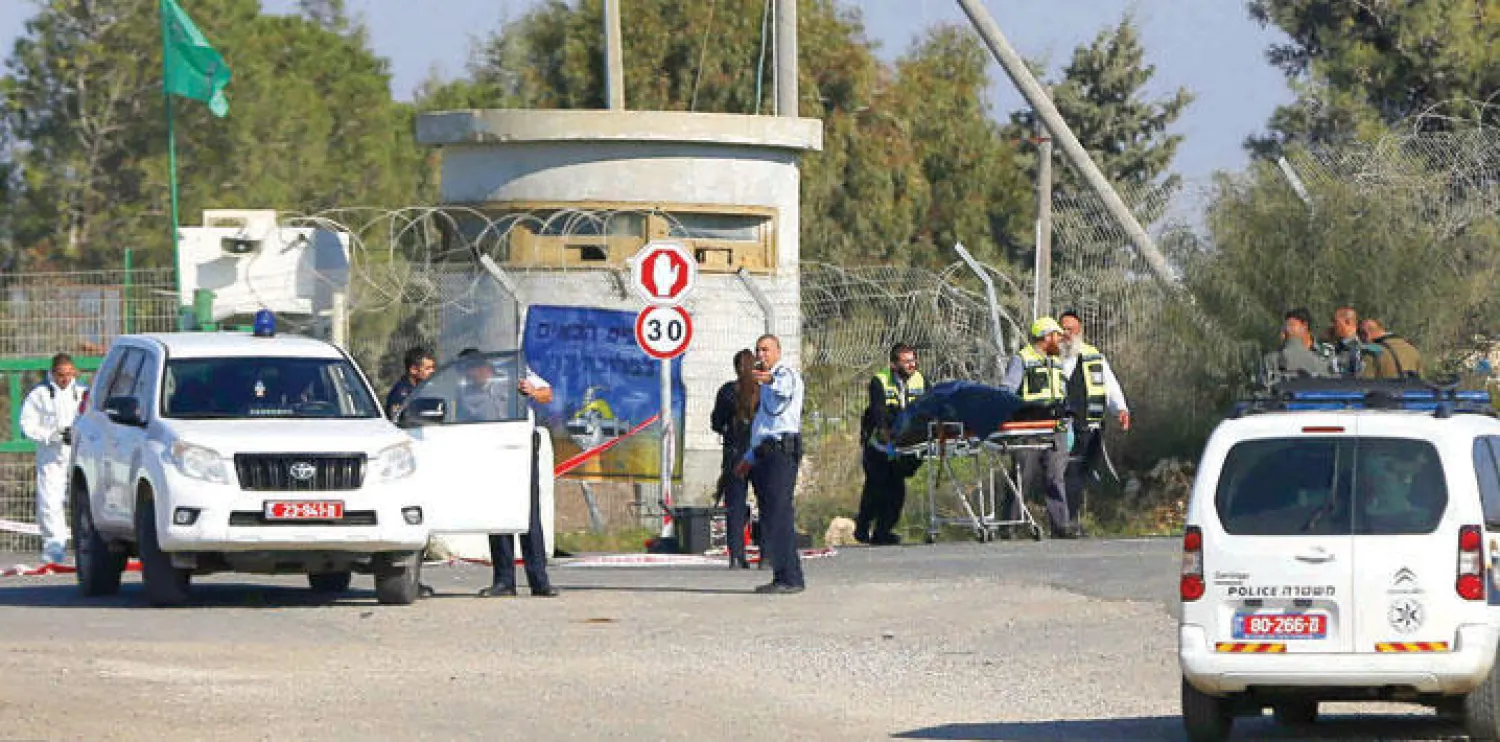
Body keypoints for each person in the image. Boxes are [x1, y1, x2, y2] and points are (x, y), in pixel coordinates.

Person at [452, 348, 561, 598]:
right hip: (491, 452)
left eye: (472, 372)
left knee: (528, 516)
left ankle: (539, 581)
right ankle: (504, 581)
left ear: (483, 368)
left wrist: (531, 392)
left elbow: (547, 394)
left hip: (521, 449)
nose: (470, 378)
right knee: (498, 515)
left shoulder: (516, 375)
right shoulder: (465, 390)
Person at [732, 334, 806, 594]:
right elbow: (764, 426)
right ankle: (781, 575)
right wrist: (749, 458)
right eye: (758, 350)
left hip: (782, 453)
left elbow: (784, 387)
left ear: (777, 351)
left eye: (766, 350)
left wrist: (771, 379)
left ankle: (791, 577)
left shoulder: (786, 375)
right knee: (770, 516)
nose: (761, 355)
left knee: (779, 513)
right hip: (765, 453)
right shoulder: (762, 387)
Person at [999, 318, 1075, 538]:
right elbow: (1008, 390)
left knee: (1056, 475)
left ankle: (1061, 526)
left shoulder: (1057, 361)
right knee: (1023, 474)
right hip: (1028, 428)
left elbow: (1062, 394)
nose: (1060, 340)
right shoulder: (1022, 359)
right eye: (1057, 336)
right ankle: (1009, 526)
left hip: (1056, 426)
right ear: (1046, 336)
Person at [1058, 312, 1129, 535]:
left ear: (1080, 331)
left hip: (1091, 425)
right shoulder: (1051, 357)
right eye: (1064, 329)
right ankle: (1065, 522)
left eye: (1072, 329)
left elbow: (1109, 384)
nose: (1067, 334)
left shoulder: (1093, 356)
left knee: (1084, 471)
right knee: (1070, 471)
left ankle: (1074, 519)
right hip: (1063, 426)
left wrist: (1121, 409)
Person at [854, 343, 925, 546]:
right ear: (894, 365)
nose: (912, 365)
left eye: (913, 360)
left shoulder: (920, 380)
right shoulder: (880, 381)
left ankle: (883, 531)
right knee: (877, 485)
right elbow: (878, 412)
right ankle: (863, 525)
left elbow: (928, 407)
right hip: (880, 442)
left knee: (896, 487)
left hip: (905, 442)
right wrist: (887, 436)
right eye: (907, 361)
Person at [19, 353, 85, 565]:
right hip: (51, 455)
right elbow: (27, 425)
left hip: (79, 454)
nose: (65, 379)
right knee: (50, 502)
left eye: (69, 374)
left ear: (74, 372)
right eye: (60, 375)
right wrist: (52, 434)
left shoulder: (83, 393)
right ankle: (54, 554)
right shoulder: (40, 394)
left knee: (85, 500)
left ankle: (88, 551)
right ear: (53, 373)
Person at [710, 349, 758, 569]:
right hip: (760, 452)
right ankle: (767, 554)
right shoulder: (763, 390)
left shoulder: (728, 391)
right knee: (766, 504)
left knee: (735, 506)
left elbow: (716, 422)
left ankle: (736, 556)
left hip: (735, 454)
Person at [1263, 308, 1328, 382]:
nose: (1287, 329)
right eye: (1285, 326)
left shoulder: (1324, 352)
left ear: (1304, 326)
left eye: (1291, 325)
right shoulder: (1277, 355)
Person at [1358, 318, 1424, 380]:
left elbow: (1363, 385)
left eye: (1359, 334)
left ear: (1366, 334)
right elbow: (1421, 382)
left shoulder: (1370, 353)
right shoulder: (1413, 350)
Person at [385, 347, 436, 420]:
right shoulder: (400, 394)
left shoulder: (427, 388)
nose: (432, 371)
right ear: (413, 370)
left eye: (433, 368)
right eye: (428, 368)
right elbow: (397, 420)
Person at [1330, 306, 1366, 377]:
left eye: (1335, 321)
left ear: (1347, 322)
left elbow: (1358, 381)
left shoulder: (1357, 351)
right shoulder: (1340, 347)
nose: (1333, 325)